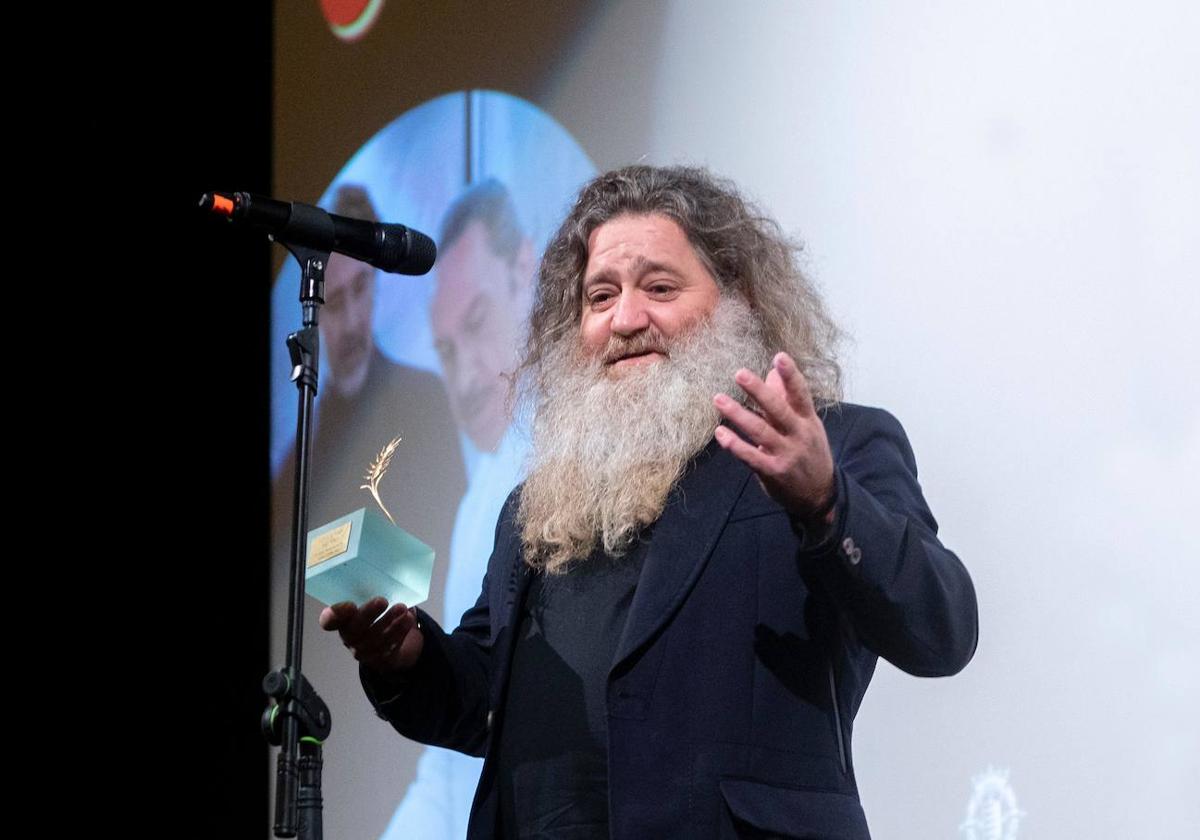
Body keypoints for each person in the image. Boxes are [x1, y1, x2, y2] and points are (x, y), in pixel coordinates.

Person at [321, 165, 978, 839]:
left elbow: (941, 630)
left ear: (740, 301)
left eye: (659, 288)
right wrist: (408, 658)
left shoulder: (834, 444)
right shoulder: (538, 504)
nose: (626, 319)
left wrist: (827, 503)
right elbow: (481, 702)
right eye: (600, 297)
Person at [380, 180, 537, 840]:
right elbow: (450, 769)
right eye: (446, 350)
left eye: (476, 324)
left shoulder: (592, 464)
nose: (467, 375)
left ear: (527, 272)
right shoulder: (481, 507)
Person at [271, 184, 465, 616]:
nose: (355, 319)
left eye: (362, 288)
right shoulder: (295, 466)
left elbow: (449, 553)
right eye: (336, 302)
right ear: (314, 310)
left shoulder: (427, 403)